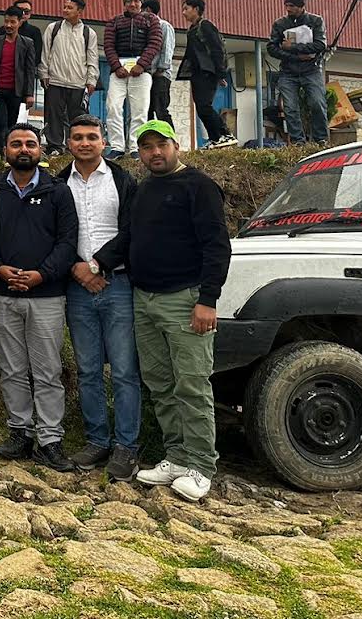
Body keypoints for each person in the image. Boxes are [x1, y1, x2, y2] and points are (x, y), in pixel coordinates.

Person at [130, 120, 231, 502]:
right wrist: (97, 264)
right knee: (160, 383)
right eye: (147, 147)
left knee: (192, 384)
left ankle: (201, 466)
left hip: (185, 300)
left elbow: (217, 246)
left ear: (176, 146)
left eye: (162, 144)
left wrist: (208, 300)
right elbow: (132, 238)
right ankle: (176, 456)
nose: (155, 152)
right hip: (145, 300)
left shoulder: (199, 186)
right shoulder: (144, 189)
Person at [0, 123, 79, 471]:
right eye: (16, 144)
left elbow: (68, 242)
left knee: (47, 371)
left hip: (47, 296)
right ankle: (20, 432)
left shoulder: (58, 191)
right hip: (2, 292)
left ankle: (50, 439)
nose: (23, 149)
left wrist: (42, 274)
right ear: (5, 151)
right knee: (11, 369)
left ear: (40, 150)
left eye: (30, 143)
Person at [55, 115, 141, 483]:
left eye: (92, 137)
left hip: (117, 283)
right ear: (69, 143)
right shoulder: (59, 182)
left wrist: (98, 265)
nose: (85, 143)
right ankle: (97, 440)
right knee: (88, 369)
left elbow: (132, 230)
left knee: (123, 370)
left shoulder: (122, 179)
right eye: (78, 137)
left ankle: (127, 445)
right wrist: (77, 269)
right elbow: (55, 233)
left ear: (103, 142)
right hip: (77, 287)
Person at [104, 0, 162, 160]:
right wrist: (116, 66)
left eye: (136, 0)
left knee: (140, 110)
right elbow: (108, 46)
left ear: (141, 2)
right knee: (113, 107)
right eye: (129, 1)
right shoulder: (114, 22)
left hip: (141, 72)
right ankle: (117, 147)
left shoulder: (151, 20)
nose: (132, 4)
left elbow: (155, 43)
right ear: (124, 3)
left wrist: (141, 64)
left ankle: (136, 146)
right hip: (118, 72)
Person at [39, 0, 99, 156]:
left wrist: (91, 80)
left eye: (69, 8)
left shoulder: (89, 33)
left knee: (78, 118)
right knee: (53, 116)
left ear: (80, 11)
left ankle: (76, 146)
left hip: (78, 83)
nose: (65, 10)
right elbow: (45, 53)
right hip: (55, 81)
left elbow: (92, 59)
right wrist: (44, 73)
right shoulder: (53, 28)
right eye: (65, 7)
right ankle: (55, 147)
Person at [267, 0, 329, 145]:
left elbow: (321, 45)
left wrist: (293, 47)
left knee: (317, 103)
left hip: (311, 69)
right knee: (289, 108)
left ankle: (321, 139)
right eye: (286, 5)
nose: (288, 9)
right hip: (288, 71)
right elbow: (272, 48)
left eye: (292, 6)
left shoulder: (315, 21)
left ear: (301, 6)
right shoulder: (280, 24)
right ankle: (297, 142)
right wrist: (296, 56)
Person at [178, 0, 237, 149]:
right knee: (201, 108)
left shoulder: (206, 25)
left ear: (196, 9)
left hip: (207, 73)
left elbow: (217, 50)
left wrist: (221, 74)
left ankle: (225, 134)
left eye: (186, 9)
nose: (183, 12)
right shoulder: (191, 29)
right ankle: (215, 138)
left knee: (205, 106)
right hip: (197, 74)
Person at [0, 5, 38, 150]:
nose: (9, 25)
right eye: (6, 21)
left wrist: (29, 94)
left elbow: (30, 70)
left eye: (12, 22)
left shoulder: (27, 43)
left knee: (12, 124)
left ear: (20, 22)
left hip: (16, 91)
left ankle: (8, 152)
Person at [141, 0, 175, 126]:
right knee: (146, 110)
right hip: (147, 75)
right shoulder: (145, 28)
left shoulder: (164, 26)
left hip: (161, 75)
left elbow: (167, 49)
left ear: (148, 10)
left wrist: (161, 69)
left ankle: (170, 136)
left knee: (161, 109)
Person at [14, 0, 43, 70]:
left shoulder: (35, 32)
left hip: (26, 72)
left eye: (26, 11)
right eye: (20, 10)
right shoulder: (3, 30)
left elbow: (37, 56)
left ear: (30, 14)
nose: (23, 14)